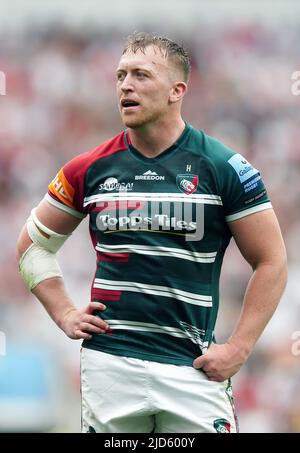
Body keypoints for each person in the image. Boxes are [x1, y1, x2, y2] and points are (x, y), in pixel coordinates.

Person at [17, 32, 287, 434]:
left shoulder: (225, 168)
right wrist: (64, 313)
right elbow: (31, 249)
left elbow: (272, 261)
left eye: (141, 75)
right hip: (111, 366)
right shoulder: (87, 168)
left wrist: (239, 347)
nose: (126, 84)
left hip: (193, 369)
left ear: (177, 90)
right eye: (121, 75)